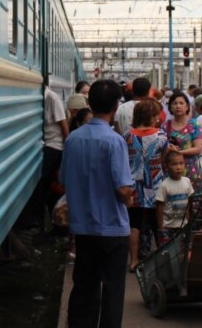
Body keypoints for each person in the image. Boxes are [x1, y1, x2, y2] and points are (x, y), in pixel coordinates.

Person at [62, 79, 134, 328]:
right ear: (115, 106)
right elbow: (123, 189)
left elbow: (63, 179)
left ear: (89, 103)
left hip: (83, 227)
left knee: (84, 287)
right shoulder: (114, 141)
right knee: (112, 292)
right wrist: (130, 197)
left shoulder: (73, 139)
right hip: (113, 228)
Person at [124, 99, 169, 271]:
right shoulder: (161, 136)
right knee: (158, 223)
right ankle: (162, 260)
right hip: (155, 185)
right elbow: (164, 159)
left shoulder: (127, 136)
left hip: (133, 186)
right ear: (152, 116)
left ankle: (134, 261)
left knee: (134, 224)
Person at [26, 86, 68, 229]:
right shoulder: (36, 97)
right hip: (45, 145)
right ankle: (44, 218)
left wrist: (67, 150)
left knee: (38, 177)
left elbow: (63, 125)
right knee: (43, 182)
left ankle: (38, 217)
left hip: (55, 146)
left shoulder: (52, 98)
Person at [162, 90, 202, 188]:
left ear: (187, 107)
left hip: (190, 170)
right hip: (170, 171)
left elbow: (198, 149)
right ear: (170, 107)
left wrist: (178, 152)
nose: (178, 106)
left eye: (181, 103)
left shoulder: (193, 124)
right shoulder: (165, 126)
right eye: (175, 103)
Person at [156, 149, 193, 238]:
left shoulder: (187, 181)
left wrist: (188, 222)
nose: (179, 167)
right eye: (174, 164)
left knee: (183, 249)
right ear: (167, 166)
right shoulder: (164, 185)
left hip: (183, 225)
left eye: (181, 163)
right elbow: (159, 207)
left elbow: (189, 204)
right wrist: (161, 226)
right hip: (168, 227)